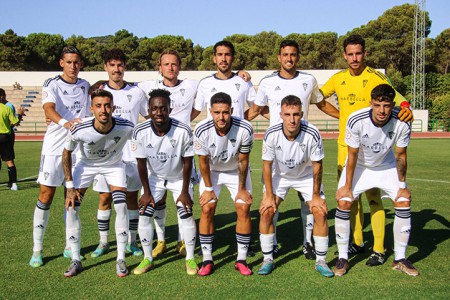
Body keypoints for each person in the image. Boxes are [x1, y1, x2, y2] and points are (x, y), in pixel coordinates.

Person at [320, 34, 413, 266]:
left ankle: (379, 248)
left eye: (358, 53)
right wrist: (341, 115)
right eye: (350, 54)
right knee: (349, 197)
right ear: (344, 55)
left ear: (365, 53)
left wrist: (406, 107)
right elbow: (317, 98)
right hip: (346, 146)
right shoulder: (337, 79)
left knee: (374, 197)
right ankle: (357, 242)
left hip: (375, 149)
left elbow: (398, 99)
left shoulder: (375, 77)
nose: (354, 58)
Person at [246, 39, 339, 259]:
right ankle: (274, 243)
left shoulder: (309, 80)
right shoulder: (267, 82)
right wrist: (233, 121)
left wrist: (344, 117)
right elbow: (258, 109)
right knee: (270, 202)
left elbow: (321, 103)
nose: (289, 58)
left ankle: (307, 243)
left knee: (308, 200)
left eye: (293, 55)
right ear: (279, 57)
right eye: (285, 55)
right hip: (277, 150)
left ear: (298, 57)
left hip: (303, 148)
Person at [334, 84, 418, 277]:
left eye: (387, 105)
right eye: (378, 105)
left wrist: (402, 186)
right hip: (360, 166)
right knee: (344, 201)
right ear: (371, 103)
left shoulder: (402, 121)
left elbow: (401, 155)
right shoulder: (356, 120)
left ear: (393, 104)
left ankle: (400, 258)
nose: (382, 110)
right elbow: (352, 155)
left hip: (385, 165)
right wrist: (347, 186)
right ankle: (343, 258)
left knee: (403, 200)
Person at [29, 46, 90, 268]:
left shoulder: (85, 86)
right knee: (46, 194)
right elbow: (48, 109)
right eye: (69, 62)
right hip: (55, 147)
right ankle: (37, 249)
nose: (73, 66)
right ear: (61, 63)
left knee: (72, 197)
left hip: (77, 149)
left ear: (80, 64)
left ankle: (70, 246)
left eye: (77, 62)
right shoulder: (51, 83)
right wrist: (67, 123)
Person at [258, 95, 333, 277]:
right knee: (267, 210)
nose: (292, 120)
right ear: (280, 114)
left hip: (305, 175)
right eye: (287, 115)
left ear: (302, 114)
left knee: (320, 211)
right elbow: (267, 166)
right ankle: (268, 258)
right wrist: (268, 195)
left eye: (296, 115)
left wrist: (315, 196)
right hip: (280, 175)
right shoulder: (272, 133)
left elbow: (318, 166)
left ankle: (321, 261)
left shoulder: (312, 133)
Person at [62, 89, 134, 277]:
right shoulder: (79, 128)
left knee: (121, 206)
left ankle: (120, 258)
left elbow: (141, 141)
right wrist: (69, 187)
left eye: (107, 105)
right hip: (86, 166)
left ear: (113, 108)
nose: (103, 110)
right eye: (99, 106)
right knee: (71, 208)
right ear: (91, 109)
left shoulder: (126, 126)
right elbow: (66, 153)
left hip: (114, 166)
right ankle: (75, 259)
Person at [137, 50, 198, 258]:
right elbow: (120, 86)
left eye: (174, 64)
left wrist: (242, 73)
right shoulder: (147, 87)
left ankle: (183, 242)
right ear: (159, 67)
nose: (170, 67)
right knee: (158, 202)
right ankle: (161, 241)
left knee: (184, 203)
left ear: (179, 66)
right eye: (166, 64)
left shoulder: (191, 85)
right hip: (157, 149)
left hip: (180, 148)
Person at [89, 49, 148, 258]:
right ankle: (103, 242)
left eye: (120, 65)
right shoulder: (97, 91)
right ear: (105, 67)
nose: (116, 69)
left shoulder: (137, 92)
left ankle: (132, 241)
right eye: (112, 65)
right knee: (105, 197)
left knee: (131, 196)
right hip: (105, 154)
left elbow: (148, 117)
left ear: (125, 67)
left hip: (130, 153)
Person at [131, 89, 197, 275]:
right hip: (155, 178)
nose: (159, 113)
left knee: (186, 212)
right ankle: (147, 258)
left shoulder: (183, 130)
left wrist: (184, 191)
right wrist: (146, 192)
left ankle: (190, 258)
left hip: (179, 178)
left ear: (170, 108)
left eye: (163, 108)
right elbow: (141, 163)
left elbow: (188, 161)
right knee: (144, 213)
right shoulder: (140, 131)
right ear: (149, 109)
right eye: (154, 108)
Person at [194, 92, 254, 276]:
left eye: (226, 112)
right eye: (217, 112)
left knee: (243, 208)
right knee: (207, 209)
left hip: (236, 171)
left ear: (232, 111)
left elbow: (243, 161)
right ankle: (207, 259)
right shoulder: (201, 130)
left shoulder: (245, 128)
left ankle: (241, 260)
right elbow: (203, 162)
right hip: (211, 172)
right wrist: (209, 189)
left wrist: (242, 189)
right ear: (210, 111)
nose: (221, 117)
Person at [191, 40, 257, 121]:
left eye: (227, 55)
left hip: (237, 133)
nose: (223, 59)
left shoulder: (244, 81)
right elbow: (196, 110)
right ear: (214, 58)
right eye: (220, 55)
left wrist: (240, 121)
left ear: (232, 58)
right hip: (213, 133)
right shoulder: (205, 83)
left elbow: (257, 107)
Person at [0, 88, 25, 190]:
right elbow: (15, 122)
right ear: (2, 96)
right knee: (9, 161)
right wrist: (20, 114)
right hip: (5, 136)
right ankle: (14, 184)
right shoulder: (7, 108)